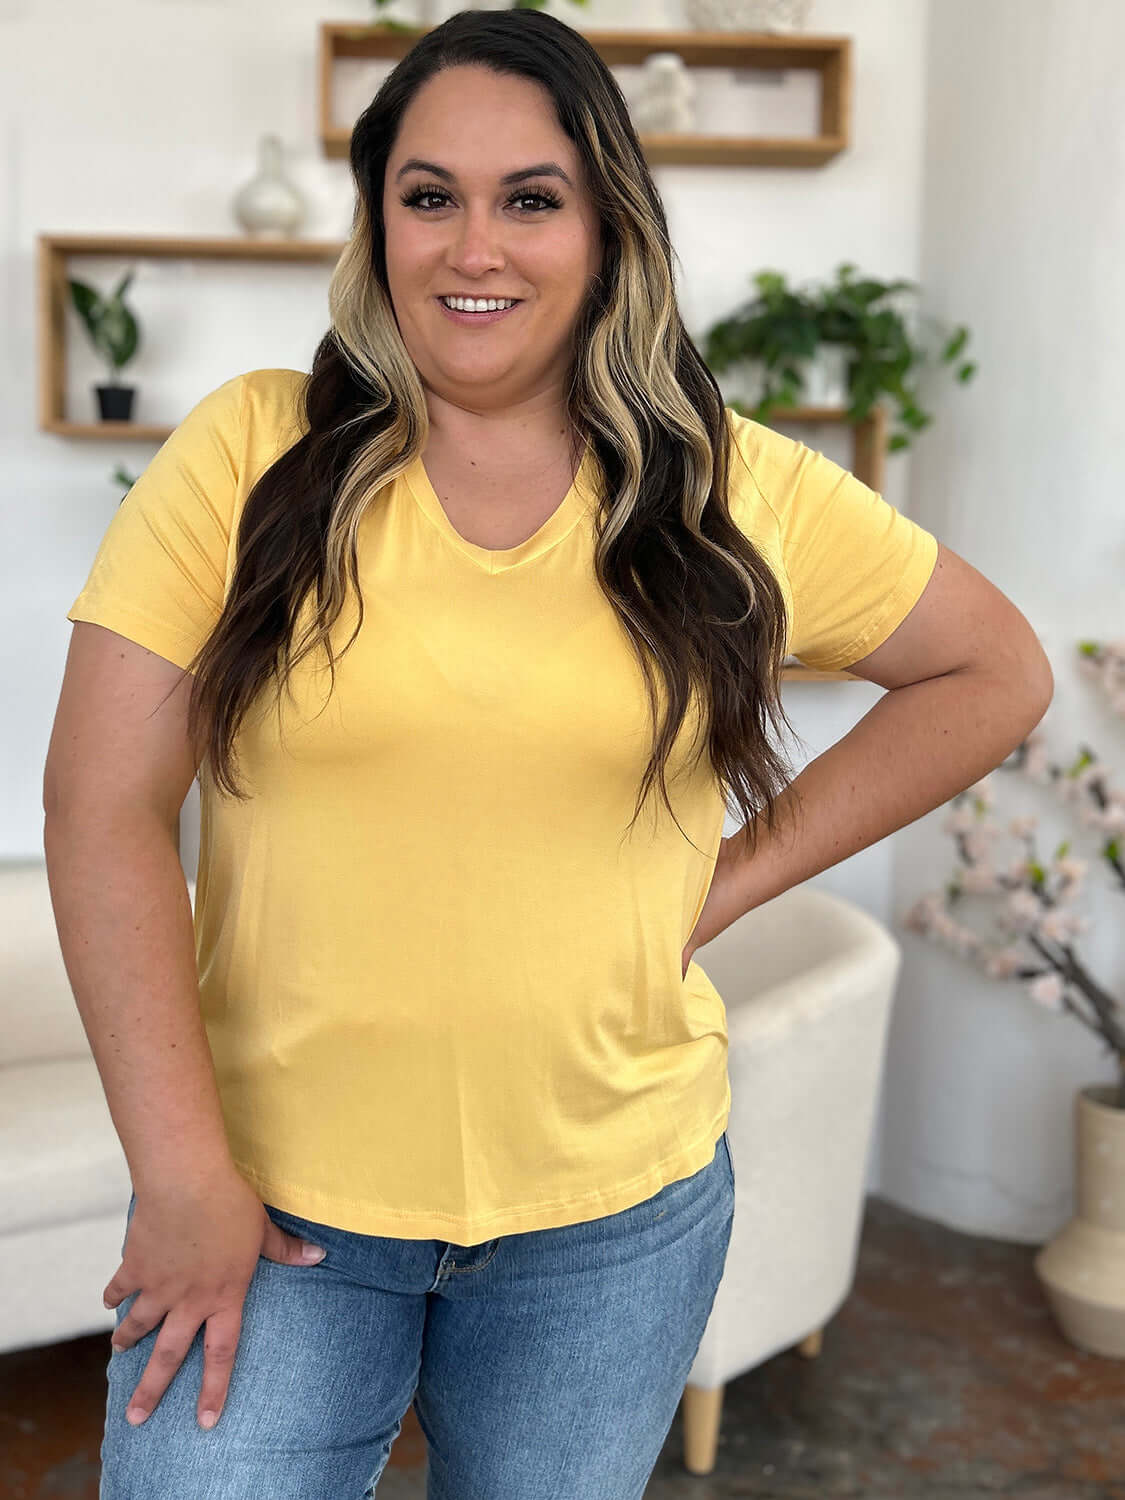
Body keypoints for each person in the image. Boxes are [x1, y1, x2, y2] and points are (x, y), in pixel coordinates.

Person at [42, 10, 1053, 1499]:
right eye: (428, 194)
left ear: (607, 225)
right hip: (275, 1207)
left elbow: (994, 672)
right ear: (376, 217)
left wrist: (708, 887)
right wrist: (184, 1173)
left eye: (532, 198)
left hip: (612, 1217)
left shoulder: (724, 485)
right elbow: (100, 805)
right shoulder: (251, 456)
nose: (475, 248)